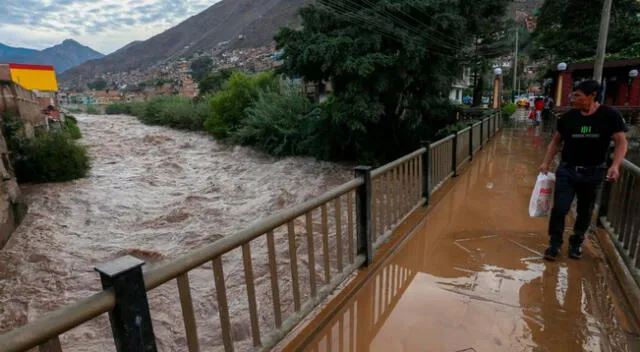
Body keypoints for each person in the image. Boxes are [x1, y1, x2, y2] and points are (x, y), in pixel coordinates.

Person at [539, 80, 628, 261]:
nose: (572, 99)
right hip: (567, 169)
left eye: (577, 95)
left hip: (593, 172)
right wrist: (546, 162)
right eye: (572, 95)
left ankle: (576, 242)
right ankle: (555, 243)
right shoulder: (569, 117)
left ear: (592, 95)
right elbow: (557, 141)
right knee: (560, 208)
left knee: (585, 210)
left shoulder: (610, 115)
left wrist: (615, 165)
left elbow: (621, 141)